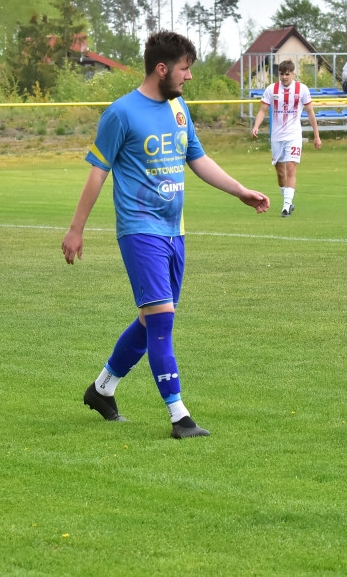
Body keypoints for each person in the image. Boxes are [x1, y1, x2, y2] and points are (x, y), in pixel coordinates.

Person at [61, 31, 270, 439]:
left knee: (150, 319)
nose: (188, 77)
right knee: (161, 322)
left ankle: (102, 389)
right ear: (162, 69)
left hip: (176, 231)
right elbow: (97, 172)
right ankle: (179, 416)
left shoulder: (178, 108)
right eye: (185, 68)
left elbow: (198, 158)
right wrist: (75, 229)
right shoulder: (121, 114)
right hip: (140, 231)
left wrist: (240, 190)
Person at [250, 60, 322, 217]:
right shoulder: (272, 89)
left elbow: (310, 113)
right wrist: (256, 125)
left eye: (287, 74)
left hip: (294, 135)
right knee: (280, 172)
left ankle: (286, 206)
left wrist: (316, 136)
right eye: (281, 74)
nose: (284, 77)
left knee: (291, 168)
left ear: (293, 74)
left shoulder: (302, 89)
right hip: (276, 136)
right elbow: (262, 110)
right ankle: (288, 200)